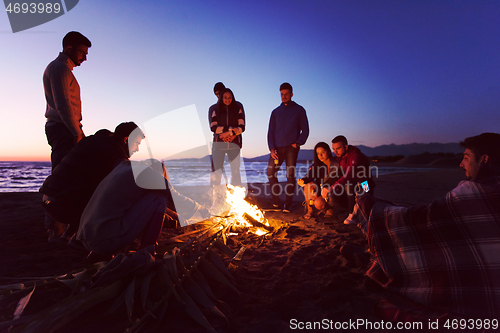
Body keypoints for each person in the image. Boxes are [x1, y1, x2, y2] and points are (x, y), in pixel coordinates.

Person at [352, 132, 500, 318]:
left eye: (466, 158)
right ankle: (369, 256)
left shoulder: (472, 194)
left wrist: (369, 203)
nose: (461, 164)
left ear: (484, 159)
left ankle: (373, 259)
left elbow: (422, 218)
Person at [77, 159, 210, 259]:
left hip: (87, 238)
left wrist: (173, 215)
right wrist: (202, 209)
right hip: (106, 242)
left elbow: (140, 204)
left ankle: (98, 254)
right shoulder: (150, 175)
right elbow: (174, 197)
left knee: (153, 198)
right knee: (160, 198)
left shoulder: (125, 168)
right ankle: (147, 250)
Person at [40, 122, 144, 242]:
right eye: (137, 144)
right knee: (115, 196)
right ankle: (85, 239)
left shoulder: (95, 141)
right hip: (62, 207)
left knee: (89, 186)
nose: (137, 149)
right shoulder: (114, 153)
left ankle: (71, 235)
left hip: (48, 200)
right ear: (126, 140)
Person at [43, 31, 91, 170]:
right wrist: (76, 133)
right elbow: (63, 104)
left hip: (66, 127)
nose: (85, 58)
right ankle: (52, 192)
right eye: (82, 53)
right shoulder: (60, 68)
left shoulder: (62, 69)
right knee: (62, 172)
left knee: (69, 172)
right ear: (69, 49)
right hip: (63, 128)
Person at [267, 82, 309, 213]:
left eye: (286, 94)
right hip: (277, 149)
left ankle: (288, 204)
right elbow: (270, 132)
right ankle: (276, 202)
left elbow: (306, 130)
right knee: (270, 173)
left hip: (291, 148)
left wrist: (298, 142)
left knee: (290, 175)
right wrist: (272, 148)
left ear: (291, 94)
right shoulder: (275, 112)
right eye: (281, 94)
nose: (284, 96)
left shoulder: (299, 110)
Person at [317, 135, 375, 215]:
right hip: (351, 187)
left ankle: (352, 213)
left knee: (348, 183)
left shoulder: (356, 156)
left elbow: (351, 173)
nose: (335, 152)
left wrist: (333, 186)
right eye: (334, 149)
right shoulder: (340, 157)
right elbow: (328, 162)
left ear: (346, 147)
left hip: (365, 185)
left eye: (338, 148)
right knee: (331, 196)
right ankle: (350, 208)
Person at [209, 88, 246, 193]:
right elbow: (213, 127)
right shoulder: (215, 109)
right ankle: (215, 196)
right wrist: (230, 131)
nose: (227, 100)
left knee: (235, 171)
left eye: (229, 98)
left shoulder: (238, 107)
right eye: (225, 98)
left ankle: (237, 195)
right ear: (221, 98)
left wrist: (231, 134)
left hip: (234, 144)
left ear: (232, 97)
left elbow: (242, 126)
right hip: (219, 145)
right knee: (217, 171)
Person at [297, 142, 340, 219]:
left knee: (321, 200)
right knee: (308, 184)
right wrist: (303, 181)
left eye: (323, 152)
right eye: (318, 153)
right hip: (322, 192)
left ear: (329, 151)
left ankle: (330, 209)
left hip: (335, 192)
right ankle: (310, 210)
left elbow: (337, 178)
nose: (320, 156)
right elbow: (310, 175)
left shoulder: (336, 164)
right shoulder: (318, 165)